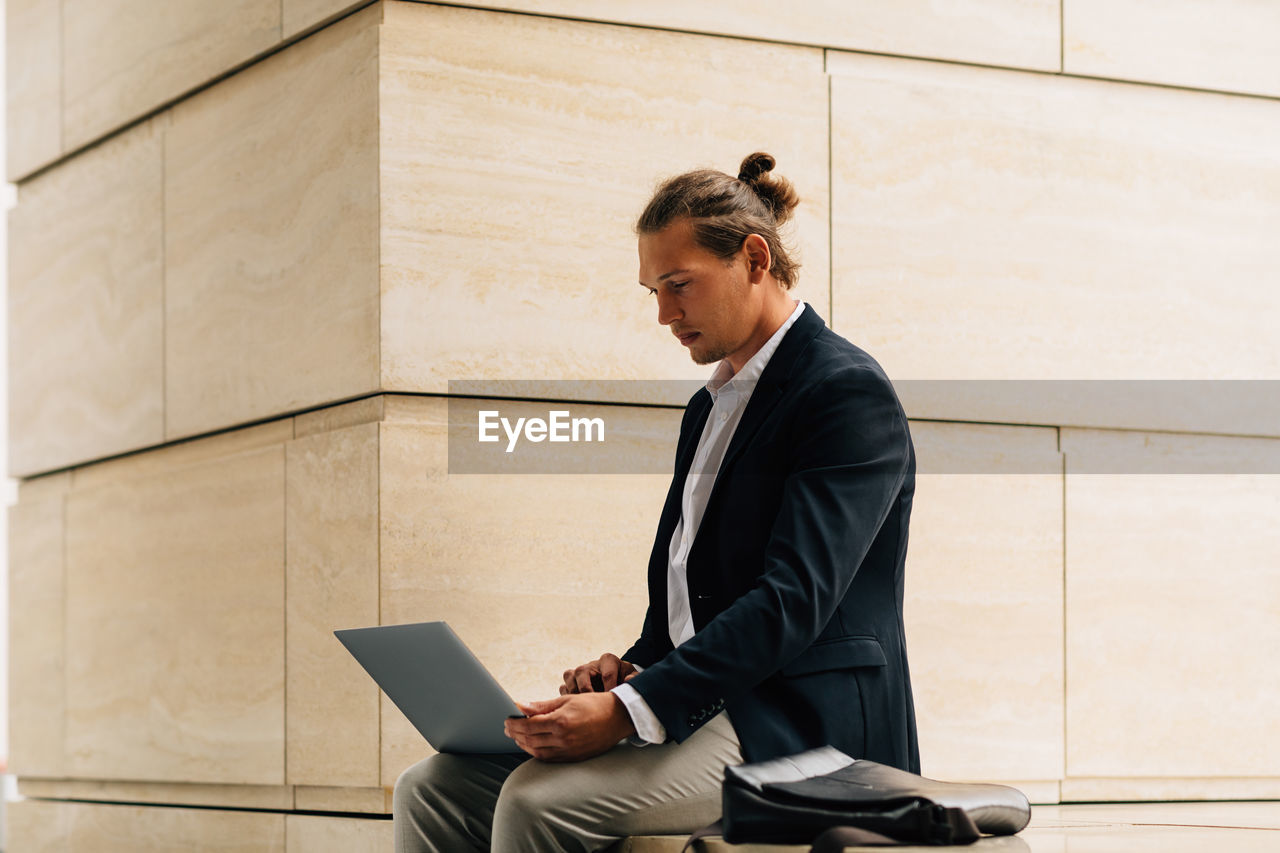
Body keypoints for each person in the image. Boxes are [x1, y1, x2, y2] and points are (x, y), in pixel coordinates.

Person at [393, 152, 918, 852]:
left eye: (680, 285)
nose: (665, 313)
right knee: (433, 785)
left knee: (538, 799)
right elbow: (696, 595)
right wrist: (635, 667)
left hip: (806, 726)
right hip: (715, 709)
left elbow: (793, 600)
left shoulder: (843, 392)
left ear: (754, 259)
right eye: (654, 292)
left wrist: (626, 710)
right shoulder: (709, 410)